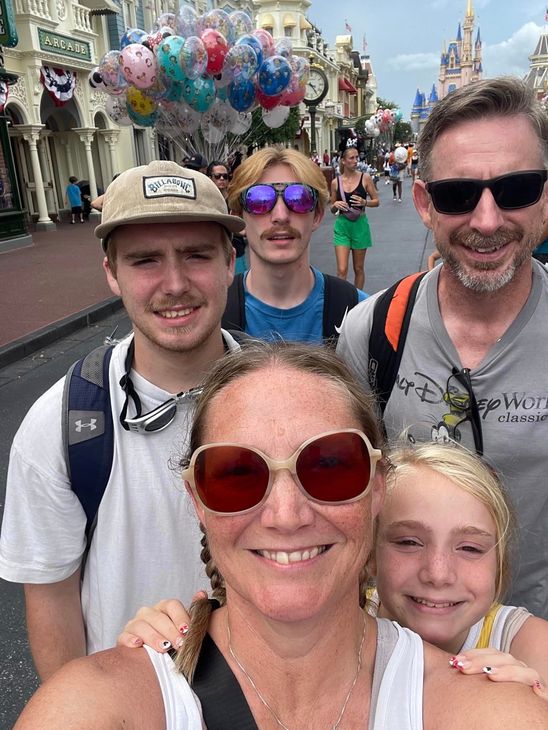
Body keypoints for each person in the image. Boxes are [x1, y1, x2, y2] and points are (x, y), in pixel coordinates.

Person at [14, 342, 547, 729]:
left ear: (377, 489)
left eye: (330, 466)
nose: (286, 514)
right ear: (196, 498)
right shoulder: (95, 710)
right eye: (236, 473)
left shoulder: (489, 710)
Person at [0, 160, 245, 681]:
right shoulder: (60, 425)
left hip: (269, 696)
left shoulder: (283, 400)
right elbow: (51, 595)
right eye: (145, 261)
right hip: (134, 703)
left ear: (230, 262)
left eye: (196, 254)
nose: (174, 283)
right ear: (112, 273)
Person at [337, 76, 548, 619]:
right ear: (425, 203)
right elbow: (345, 499)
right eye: (458, 195)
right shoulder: (373, 331)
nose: (486, 220)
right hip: (408, 649)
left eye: (516, 189)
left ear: (545, 197)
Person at [371, 441, 548, 696]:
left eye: (470, 549)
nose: (438, 574)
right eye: (409, 542)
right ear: (371, 555)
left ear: (499, 566)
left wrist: (536, 709)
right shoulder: (339, 626)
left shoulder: (530, 644)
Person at [222, 146, 367, 344]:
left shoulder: (361, 317)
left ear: (317, 216)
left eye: (299, 198)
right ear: (239, 218)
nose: (281, 216)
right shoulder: (213, 318)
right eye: (259, 200)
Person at [330, 146, 379, 290]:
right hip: (342, 226)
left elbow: (376, 201)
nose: (355, 161)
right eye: (351, 158)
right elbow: (332, 209)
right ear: (343, 161)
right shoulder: (335, 182)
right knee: (342, 270)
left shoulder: (366, 178)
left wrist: (365, 202)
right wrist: (335, 205)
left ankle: (357, 299)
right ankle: (343, 300)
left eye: (357, 157)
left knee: (358, 268)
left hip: (360, 225)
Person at [207, 160, 247, 275]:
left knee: (238, 284)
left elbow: (245, 226)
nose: (222, 179)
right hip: (214, 251)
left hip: (236, 249)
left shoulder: (236, 200)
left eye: (225, 176)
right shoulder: (205, 201)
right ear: (210, 178)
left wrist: (239, 229)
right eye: (217, 176)